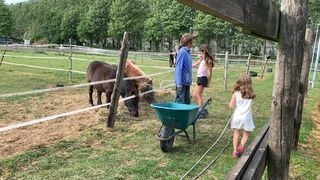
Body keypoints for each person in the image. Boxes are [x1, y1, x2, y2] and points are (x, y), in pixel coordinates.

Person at [229, 74, 256, 158]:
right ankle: (242, 145)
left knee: (236, 133)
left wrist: (234, 106)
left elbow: (231, 105)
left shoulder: (236, 94)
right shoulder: (251, 95)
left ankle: (235, 151)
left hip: (237, 117)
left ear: (239, 83)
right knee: (246, 133)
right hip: (247, 117)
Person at [192, 45, 215, 118]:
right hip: (199, 77)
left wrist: (208, 82)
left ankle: (201, 112)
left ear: (205, 52)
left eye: (202, 52)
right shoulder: (202, 59)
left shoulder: (208, 61)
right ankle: (201, 109)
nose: (200, 54)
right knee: (194, 95)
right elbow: (195, 64)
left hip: (203, 78)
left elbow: (209, 72)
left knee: (198, 95)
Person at [174, 32, 197, 104]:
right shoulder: (182, 52)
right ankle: (177, 115)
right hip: (182, 83)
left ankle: (185, 115)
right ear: (188, 42)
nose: (193, 42)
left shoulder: (187, 52)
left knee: (187, 102)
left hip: (186, 82)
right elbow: (178, 68)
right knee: (180, 102)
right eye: (192, 40)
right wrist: (179, 84)